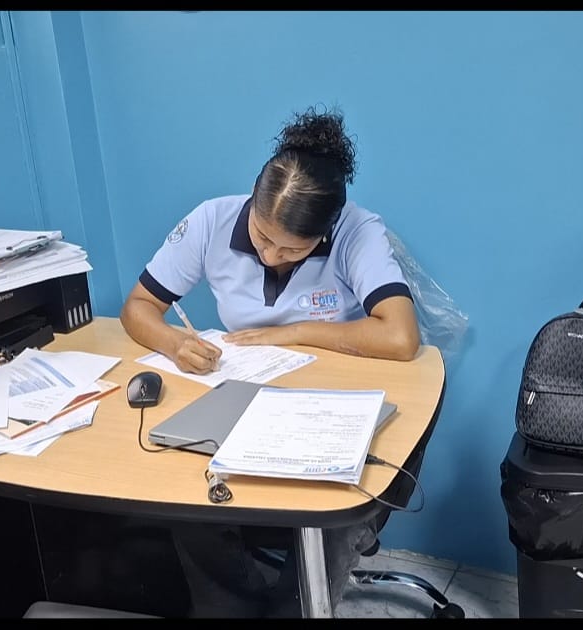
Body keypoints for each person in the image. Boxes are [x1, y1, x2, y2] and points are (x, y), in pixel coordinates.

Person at [119, 105, 421, 617]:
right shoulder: (211, 220)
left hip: (332, 407)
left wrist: (294, 332)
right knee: (184, 493)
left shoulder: (357, 230)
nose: (270, 256)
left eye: (291, 250)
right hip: (245, 396)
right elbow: (138, 308)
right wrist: (173, 344)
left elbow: (400, 336)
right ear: (252, 202)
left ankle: (295, 607)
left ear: (325, 232)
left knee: (328, 519)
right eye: (262, 238)